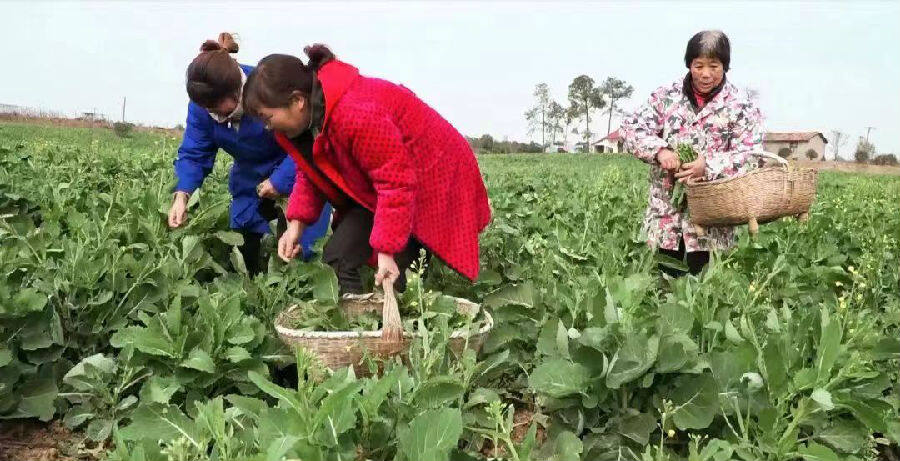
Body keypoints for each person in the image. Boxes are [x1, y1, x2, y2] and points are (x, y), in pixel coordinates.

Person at [242, 44, 491, 294]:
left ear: (297, 101)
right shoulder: (308, 122)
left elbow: (395, 182)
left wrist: (387, 250)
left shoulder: (354, 112)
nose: (267, 128)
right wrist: (297, 224)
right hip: (378, 185)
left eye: (267, 118)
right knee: (337, 260)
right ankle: (357, 328)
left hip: (433, 173)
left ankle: (409, 316)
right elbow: (311, 172)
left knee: (396, 279)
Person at [168, 33, 331, 275]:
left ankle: (303, 297)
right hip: (249, 178)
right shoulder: (203, 106)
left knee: (303, 249)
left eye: (216, 109)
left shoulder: (266, 90)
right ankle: (257, 295)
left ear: (237, 94)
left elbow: (307, 140)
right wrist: (182, 195)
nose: (212, 114)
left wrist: (280, 180)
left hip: (296, 169)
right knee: (247, 244)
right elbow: (194, 152)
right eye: (207, 109)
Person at [620, 30, 764, 277]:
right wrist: (660, 151)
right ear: (689, 64)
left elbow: (752, 156)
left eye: (714, 66)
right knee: (662, 285)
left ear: (725, 67)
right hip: (667, 215)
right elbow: (630, 128)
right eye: (698, 66)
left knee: (707, 292)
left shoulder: (741, 105)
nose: (706, 74)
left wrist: (707, 166)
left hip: (713, 219)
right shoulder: (666, 96)